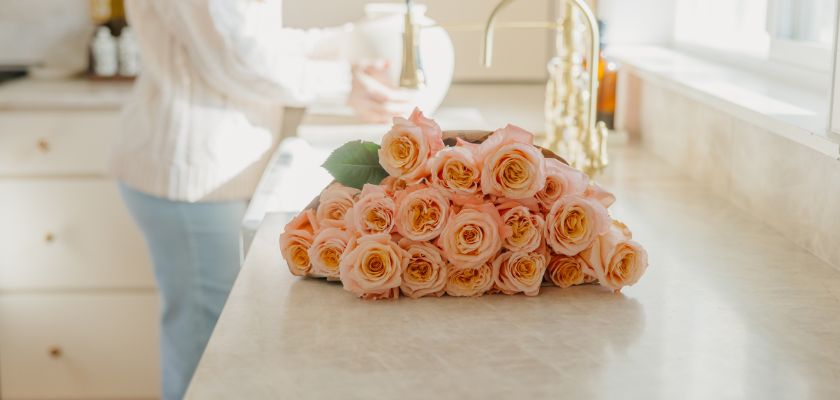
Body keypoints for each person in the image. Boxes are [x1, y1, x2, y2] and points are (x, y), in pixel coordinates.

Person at [110, 1, 406, 399]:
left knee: (207, 343)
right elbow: (239, 60)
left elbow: (257, 39)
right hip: (191, 178)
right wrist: (344, 81)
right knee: (208, 352)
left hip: (201, 172)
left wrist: (358, 39)